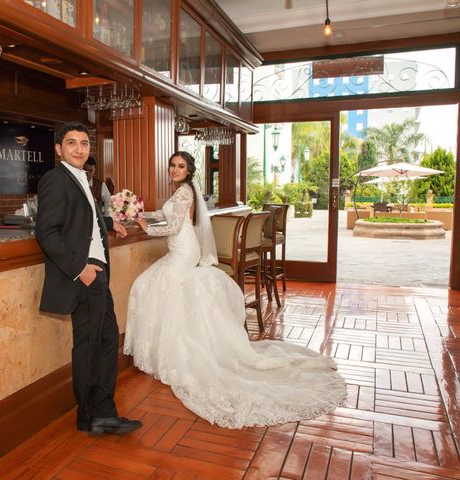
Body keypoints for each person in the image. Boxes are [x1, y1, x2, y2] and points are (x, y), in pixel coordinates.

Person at [125, 151, 346, 429]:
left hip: (182, 251)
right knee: (157, 288)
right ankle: (168, 350)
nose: (174, 169)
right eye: (172, 165)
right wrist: (140, 212)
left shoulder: (184, 192)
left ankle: (174, 353)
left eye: (180, 166)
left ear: (188, 170)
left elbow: (174, 226)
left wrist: (144, 226)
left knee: (150, 286)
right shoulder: (182, 190)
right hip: (182, 250)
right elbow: (166, 213)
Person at [35, 122, 142, 436]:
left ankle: (103, 412)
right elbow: (46, 232)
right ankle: (89, 416)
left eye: (83, 143)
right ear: (59, 149)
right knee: (89, 347)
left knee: (107, 341)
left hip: (98, 273)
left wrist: (109, 221)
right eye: (71, 143)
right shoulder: (56, 179)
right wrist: (79, 269)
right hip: (85, 275)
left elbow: (85, 220)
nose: (79, 148)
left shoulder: (80, 178)